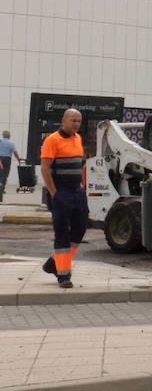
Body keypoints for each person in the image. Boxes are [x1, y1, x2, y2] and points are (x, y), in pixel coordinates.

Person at [40, 109, 86, 289]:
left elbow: (78, 164)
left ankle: (53, 262)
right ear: (63, 121)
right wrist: (54, 193)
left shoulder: (78, 138)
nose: (76, 124)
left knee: (80, 228)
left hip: (77, 192)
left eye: (79, 121)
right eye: (73, 120)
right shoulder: (52, 140)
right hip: (61, 193)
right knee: (62, 233)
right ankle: (63, 275)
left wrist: (81, 187)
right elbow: (45, 168)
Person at [0, 129, 16, 202]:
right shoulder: (11, 143)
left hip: (0, 159)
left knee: (1, 174)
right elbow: (15, 152)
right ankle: (1, 189)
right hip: (7, 160)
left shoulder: (0, 142)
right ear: (9, 136)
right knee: (5, 175)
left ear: (3, 136)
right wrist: (19, 159)